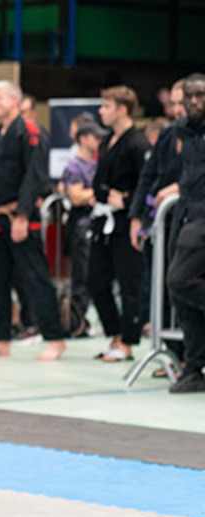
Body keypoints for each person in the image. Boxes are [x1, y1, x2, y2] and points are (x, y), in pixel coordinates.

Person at [0, 81, 66, 361]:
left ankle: (55, 339)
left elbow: (35, 176)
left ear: (15, 100)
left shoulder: (31, 131)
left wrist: (23, 215)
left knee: (36, 278)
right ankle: (0, 339)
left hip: (22, 217)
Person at [87, 86, 151, 362]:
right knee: (96, 281)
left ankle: (127, 342)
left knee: (129, 284)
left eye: (106, 106)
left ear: (122, 109)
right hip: (104, 221)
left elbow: (146, 184)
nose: (101, 111)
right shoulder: (106, 141)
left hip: (128, 223)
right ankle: (114, 334)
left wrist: (126, 201)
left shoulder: (137, 144)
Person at [130, 80, 187, 365]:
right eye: (174, 103)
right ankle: (170, 354)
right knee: (160, 287)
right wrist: (136, 217)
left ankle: (191, 354)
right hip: (163, 225)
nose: (178, 109)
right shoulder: (167, 134)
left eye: (183, 102)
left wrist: (180, 188)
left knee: (184, 286)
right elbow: (148, 176)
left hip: (192, 223)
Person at [164, 73, 205, 392]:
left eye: (200, 96)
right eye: (188, 96)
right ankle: (194, 367)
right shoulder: (181, 131)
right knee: (181, 297)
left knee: (178, 281)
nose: (193, 102)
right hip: (186, 217)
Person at [59, 121, 108, 335]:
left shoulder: (97, 165)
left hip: (97, 225)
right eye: (94, 137)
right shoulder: (74, 167)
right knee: (81, 278)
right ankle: (77, 323)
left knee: (97, 276)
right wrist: (98, 192)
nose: (98, 141)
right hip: (80, 227)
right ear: (83, 138)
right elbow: (76, 197)